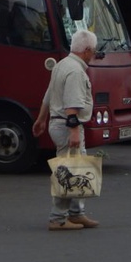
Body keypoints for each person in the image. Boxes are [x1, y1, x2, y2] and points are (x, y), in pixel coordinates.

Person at [32, 29, 100, 231]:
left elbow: (48, 94)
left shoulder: (62, 64)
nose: (94, 54)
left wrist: (41, 118)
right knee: (68, 172)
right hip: (67, 125)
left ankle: (77, 213)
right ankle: (58, 218)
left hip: (58, 122)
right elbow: (72, 105)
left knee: (79, 168)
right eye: (93, 51)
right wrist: (74, 131)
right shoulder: (76, 71)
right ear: (86, 50)